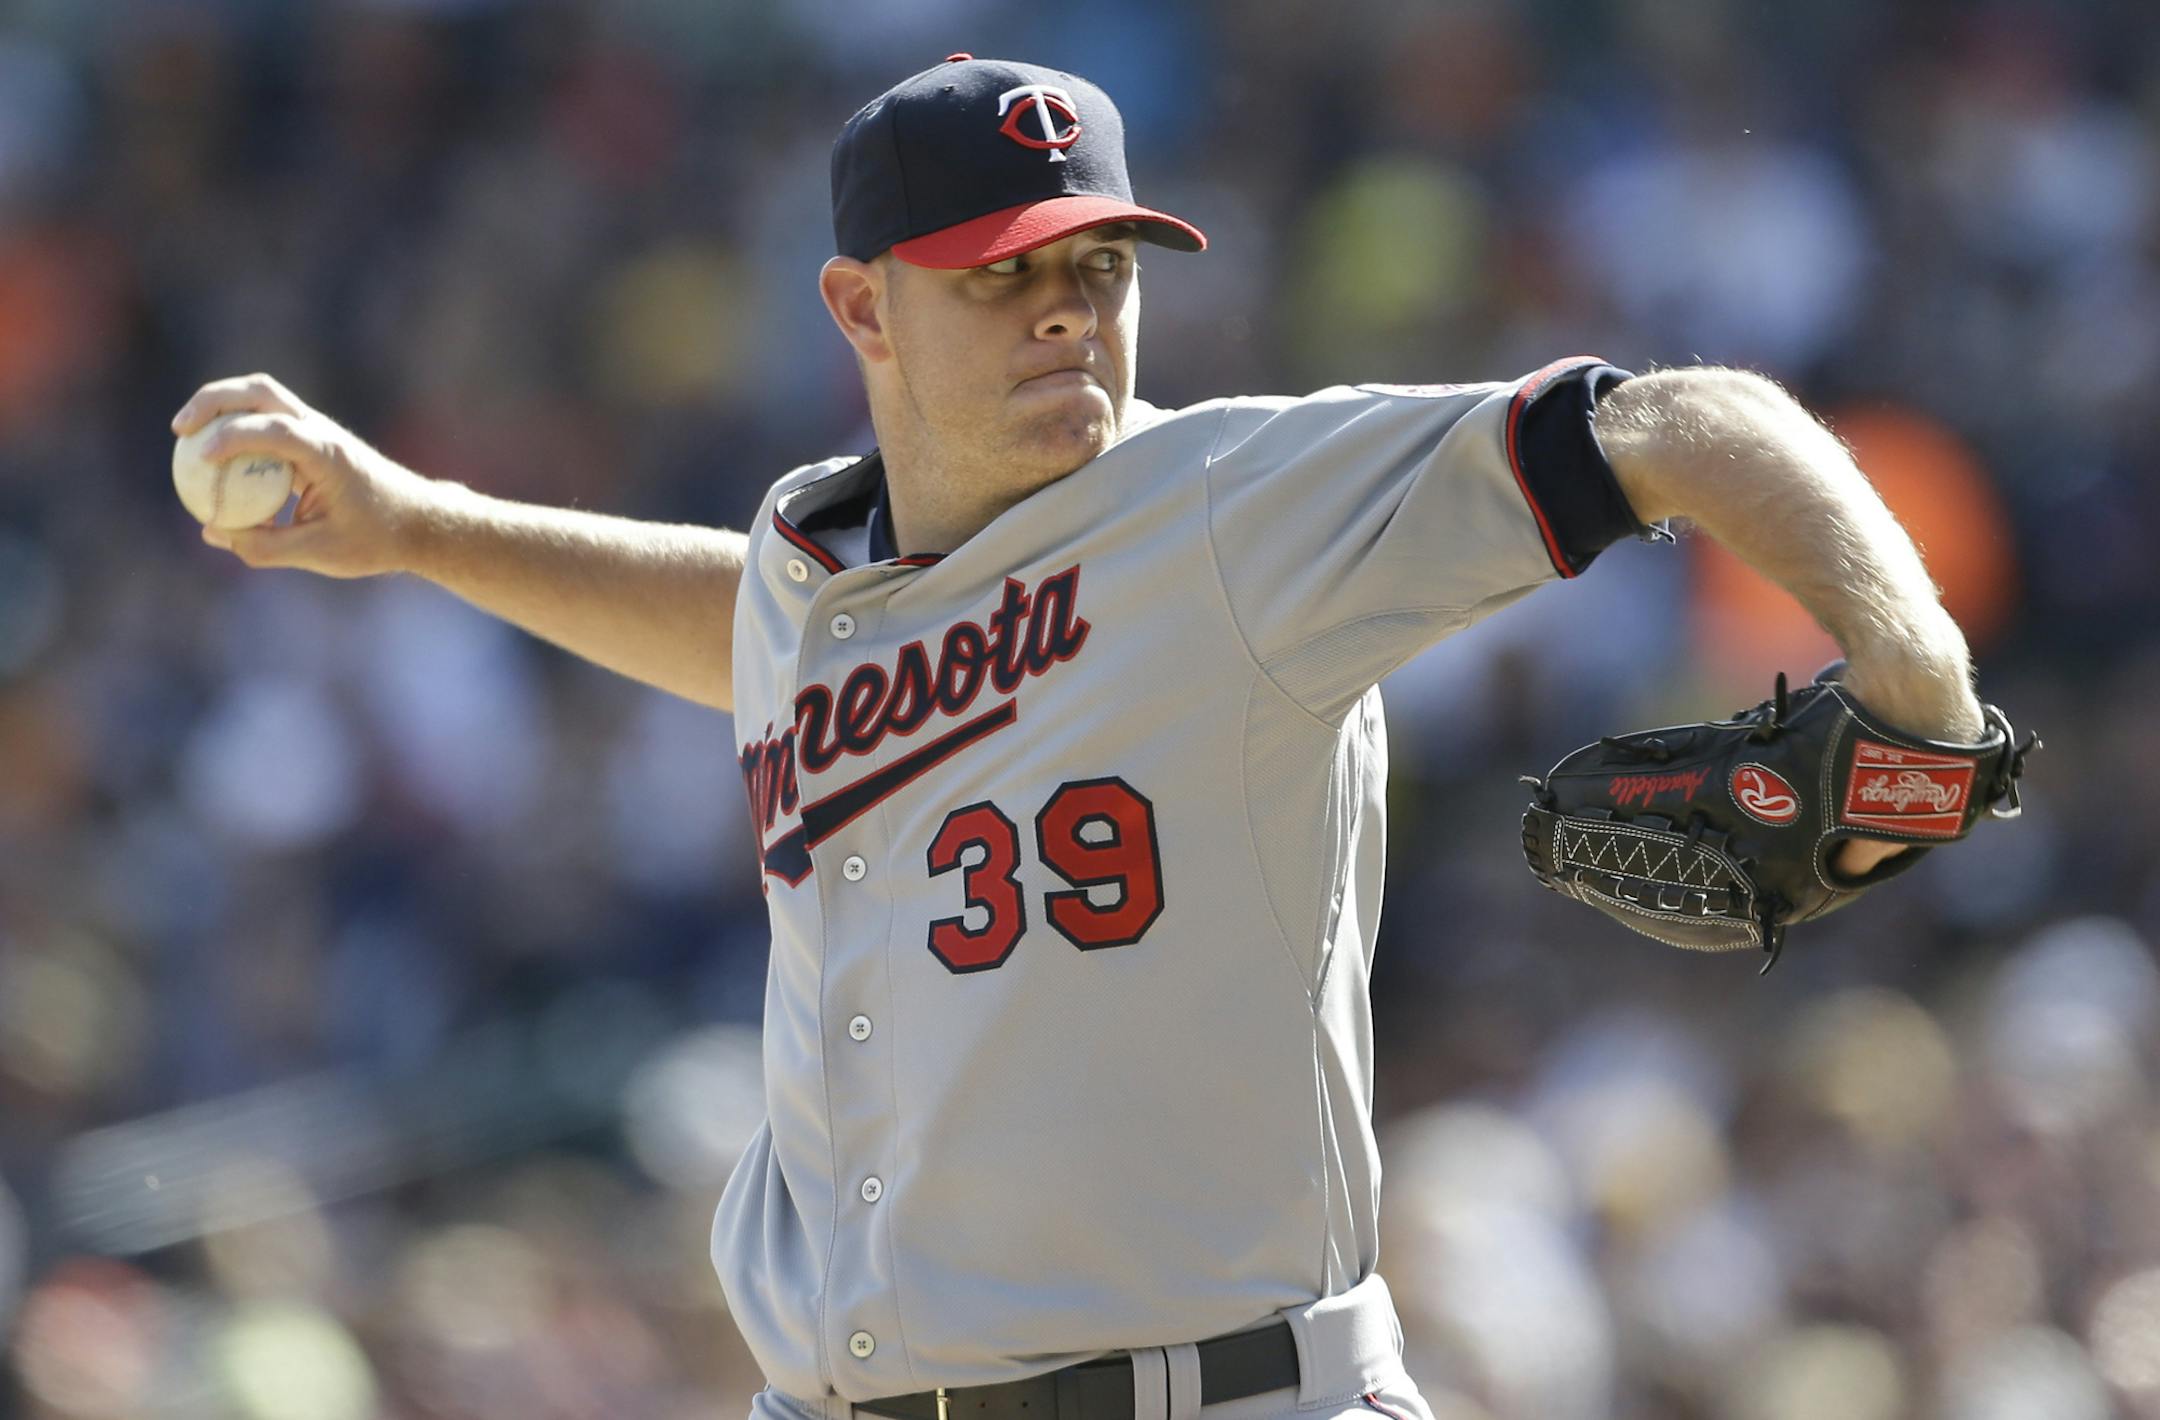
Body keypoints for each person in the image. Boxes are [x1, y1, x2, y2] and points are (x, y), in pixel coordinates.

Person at [174, 54, 1986, 1420]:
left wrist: (1919, 702)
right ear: (859, 306)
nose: (1067, 310)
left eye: (1099, 268)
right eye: (999, 276)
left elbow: (1681, 422)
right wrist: (415, 526)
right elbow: (741, 620)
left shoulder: (1225, 514)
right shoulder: (816, 580)